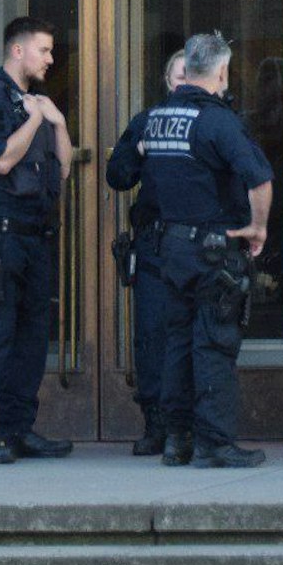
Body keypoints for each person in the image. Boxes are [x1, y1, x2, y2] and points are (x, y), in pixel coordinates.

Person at [139, 31, 274, 468]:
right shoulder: (217, 120)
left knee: (178, 343)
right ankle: (214, 443)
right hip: (213, 250)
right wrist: (257, 227)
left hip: (171, 249)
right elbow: (259, 178)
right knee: (214, 343)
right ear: (221, 71)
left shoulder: (158, 118)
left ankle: (177, 439)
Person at [0, 16, 75, 465]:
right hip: (1, 237)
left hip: (35, 237)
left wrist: (57, 124)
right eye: (43, 50)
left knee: (30, 339)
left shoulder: (36, 103)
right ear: (17, 51)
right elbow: (2, 160)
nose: (50, 58)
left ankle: (18, 430)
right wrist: (33, 120)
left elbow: (62, 169)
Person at [106, 48, 185, 456]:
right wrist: (139, 148)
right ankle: (155, 424)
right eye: (177, 78)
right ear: (167, 84)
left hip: (196, 245)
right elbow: (117, 176)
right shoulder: (147, 123)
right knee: (153, 336)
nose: (182, 86)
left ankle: (184, 426)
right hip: (154, 244)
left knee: (193, 336)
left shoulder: (214, 122)